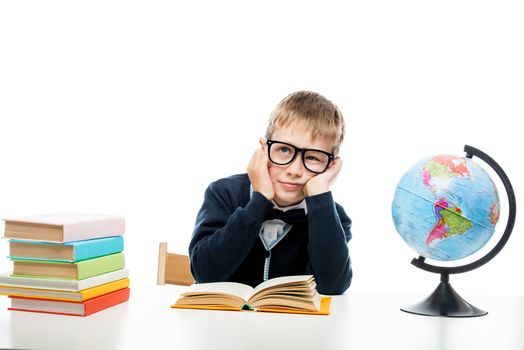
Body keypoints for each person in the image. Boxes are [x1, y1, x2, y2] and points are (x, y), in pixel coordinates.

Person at [188, 91, 352, 295]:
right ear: (264, 150)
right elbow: (205, 273)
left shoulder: (330, 216)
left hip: (294, 327)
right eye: (284, 150)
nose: (294, 170)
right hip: (224, 325)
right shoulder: (223, 193)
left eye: (312, 157)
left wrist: (320, 195)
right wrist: (259, 201)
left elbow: (332, 286)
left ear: (331, 165)